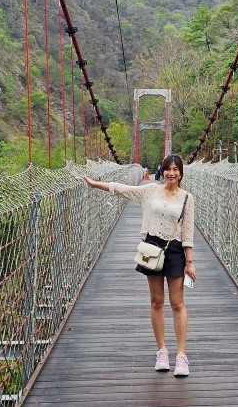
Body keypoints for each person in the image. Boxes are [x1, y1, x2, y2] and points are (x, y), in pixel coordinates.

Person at [83, 154, 197, 377]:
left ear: (181, 172)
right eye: (167, 169)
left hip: (174, 251)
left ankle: (181, 356)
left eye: (175, 169)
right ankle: (161, 351)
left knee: (177, 303)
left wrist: (189, 262)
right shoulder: (150, 191)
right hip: (151, 248)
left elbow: (187, 233)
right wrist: (96, 184)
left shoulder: (186, 198)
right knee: (156, 301)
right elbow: (122, 189)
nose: (171, 173)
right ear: (162, 171)